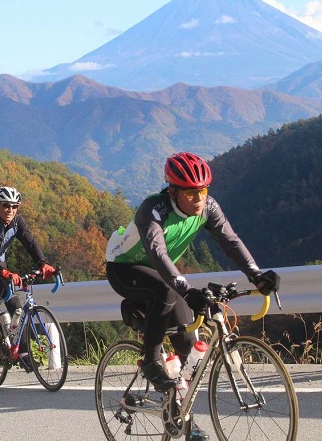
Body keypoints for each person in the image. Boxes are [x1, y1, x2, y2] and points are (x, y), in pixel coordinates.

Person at [105, 152, 280, 441]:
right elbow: (158, 255)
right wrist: (187, 291)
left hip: (164, 275)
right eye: (190, 192)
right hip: (125, 268)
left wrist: (256, 275)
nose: (199, 198)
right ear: (173, 190)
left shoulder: (208, 207)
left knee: (188, 343)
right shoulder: (152, 210)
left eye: (203, 190)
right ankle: (150, 361)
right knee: (163, 290)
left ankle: (182, 418)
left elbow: (230, 241)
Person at [0, 186, 56, 370]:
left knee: (16, 306)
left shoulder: (17, 222)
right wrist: (3, 271)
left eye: (15, 206)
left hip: (0, 265)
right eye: (6, 206)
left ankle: (22, 352)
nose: (11, 210)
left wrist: (43, 263)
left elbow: (30, 242)